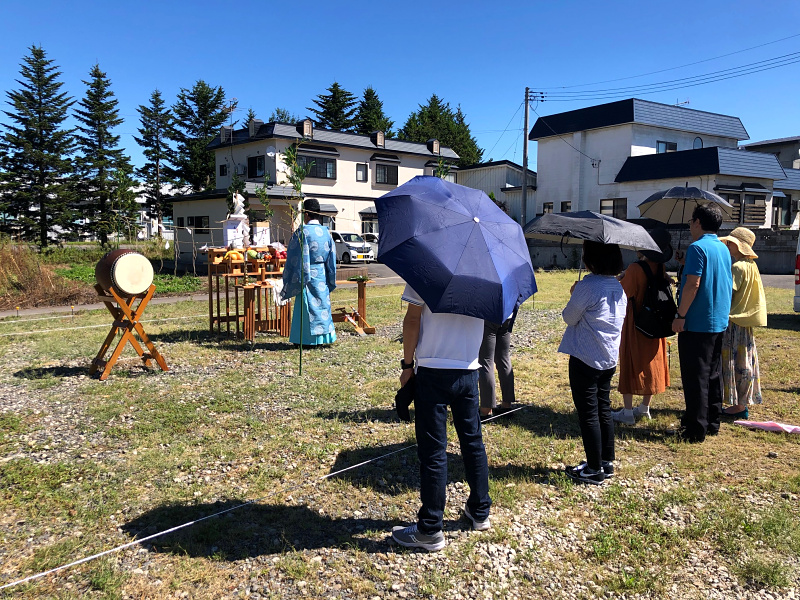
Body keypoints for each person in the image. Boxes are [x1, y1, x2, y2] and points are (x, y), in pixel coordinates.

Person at [391, 285, 491, 551]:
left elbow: (413, 319)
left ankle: (431, 527)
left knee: (433, 450)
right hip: (469, 369)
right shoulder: (484, 275)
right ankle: (480, 511)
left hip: (433, 370)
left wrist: (407, 365)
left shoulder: (424, 268)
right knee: (472, 441)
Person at [560, 241, 627, 485]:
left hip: (585, 357)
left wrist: (574, 293)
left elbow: (569, 317)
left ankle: (594, 468)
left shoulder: (588, 285)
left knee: (588, 413)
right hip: (608, 358)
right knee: (603, 408)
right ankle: (606, 462)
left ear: (591, 258)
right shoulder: (618, 287)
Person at [671, 203, 732, 443]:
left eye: (690, 221)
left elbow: (693, 284)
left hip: (696, 322)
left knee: (695, 376)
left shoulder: (697, 247)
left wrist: (680, 316)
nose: (689, 226)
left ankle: (695, 429)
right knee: (712, 374)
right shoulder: (723, 248)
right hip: (718, 320)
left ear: (698, 222)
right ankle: (712, 420)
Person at [613, 229, 673, 425]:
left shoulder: (635, 268)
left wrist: (619, 279)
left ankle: (628, 412)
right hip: (656, 322)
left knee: (631, 362)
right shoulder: (659, 267)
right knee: (653, 361)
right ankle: (644, 407)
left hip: (636, 321)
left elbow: (622, 293)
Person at [717, 227, 767, 418]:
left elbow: (727, 293)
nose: (728, 245)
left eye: (730, 242)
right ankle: (742, 402)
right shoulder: (751, 265)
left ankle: (738, 406)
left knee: (734, 362)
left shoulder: (737, 267)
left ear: (738, 245)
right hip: (745, 322)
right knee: (745, 361)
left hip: (734, 320)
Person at [280, 198, 337, 346]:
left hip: (306, 274)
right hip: (322, 274)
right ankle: (324, 338)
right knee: (322, 306)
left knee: (306, 307)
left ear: (306, 214)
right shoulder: (326, 233)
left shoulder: (302, 232)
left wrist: (290, 275)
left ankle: (305, 339)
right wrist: (330, 277)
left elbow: (293, 256)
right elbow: (331, 259)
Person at [478, 309, 518, 420]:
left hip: (488, 315)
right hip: (507, 314)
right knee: (504, 358)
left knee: (485, 361)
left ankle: (486, 410)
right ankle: (507, 405)